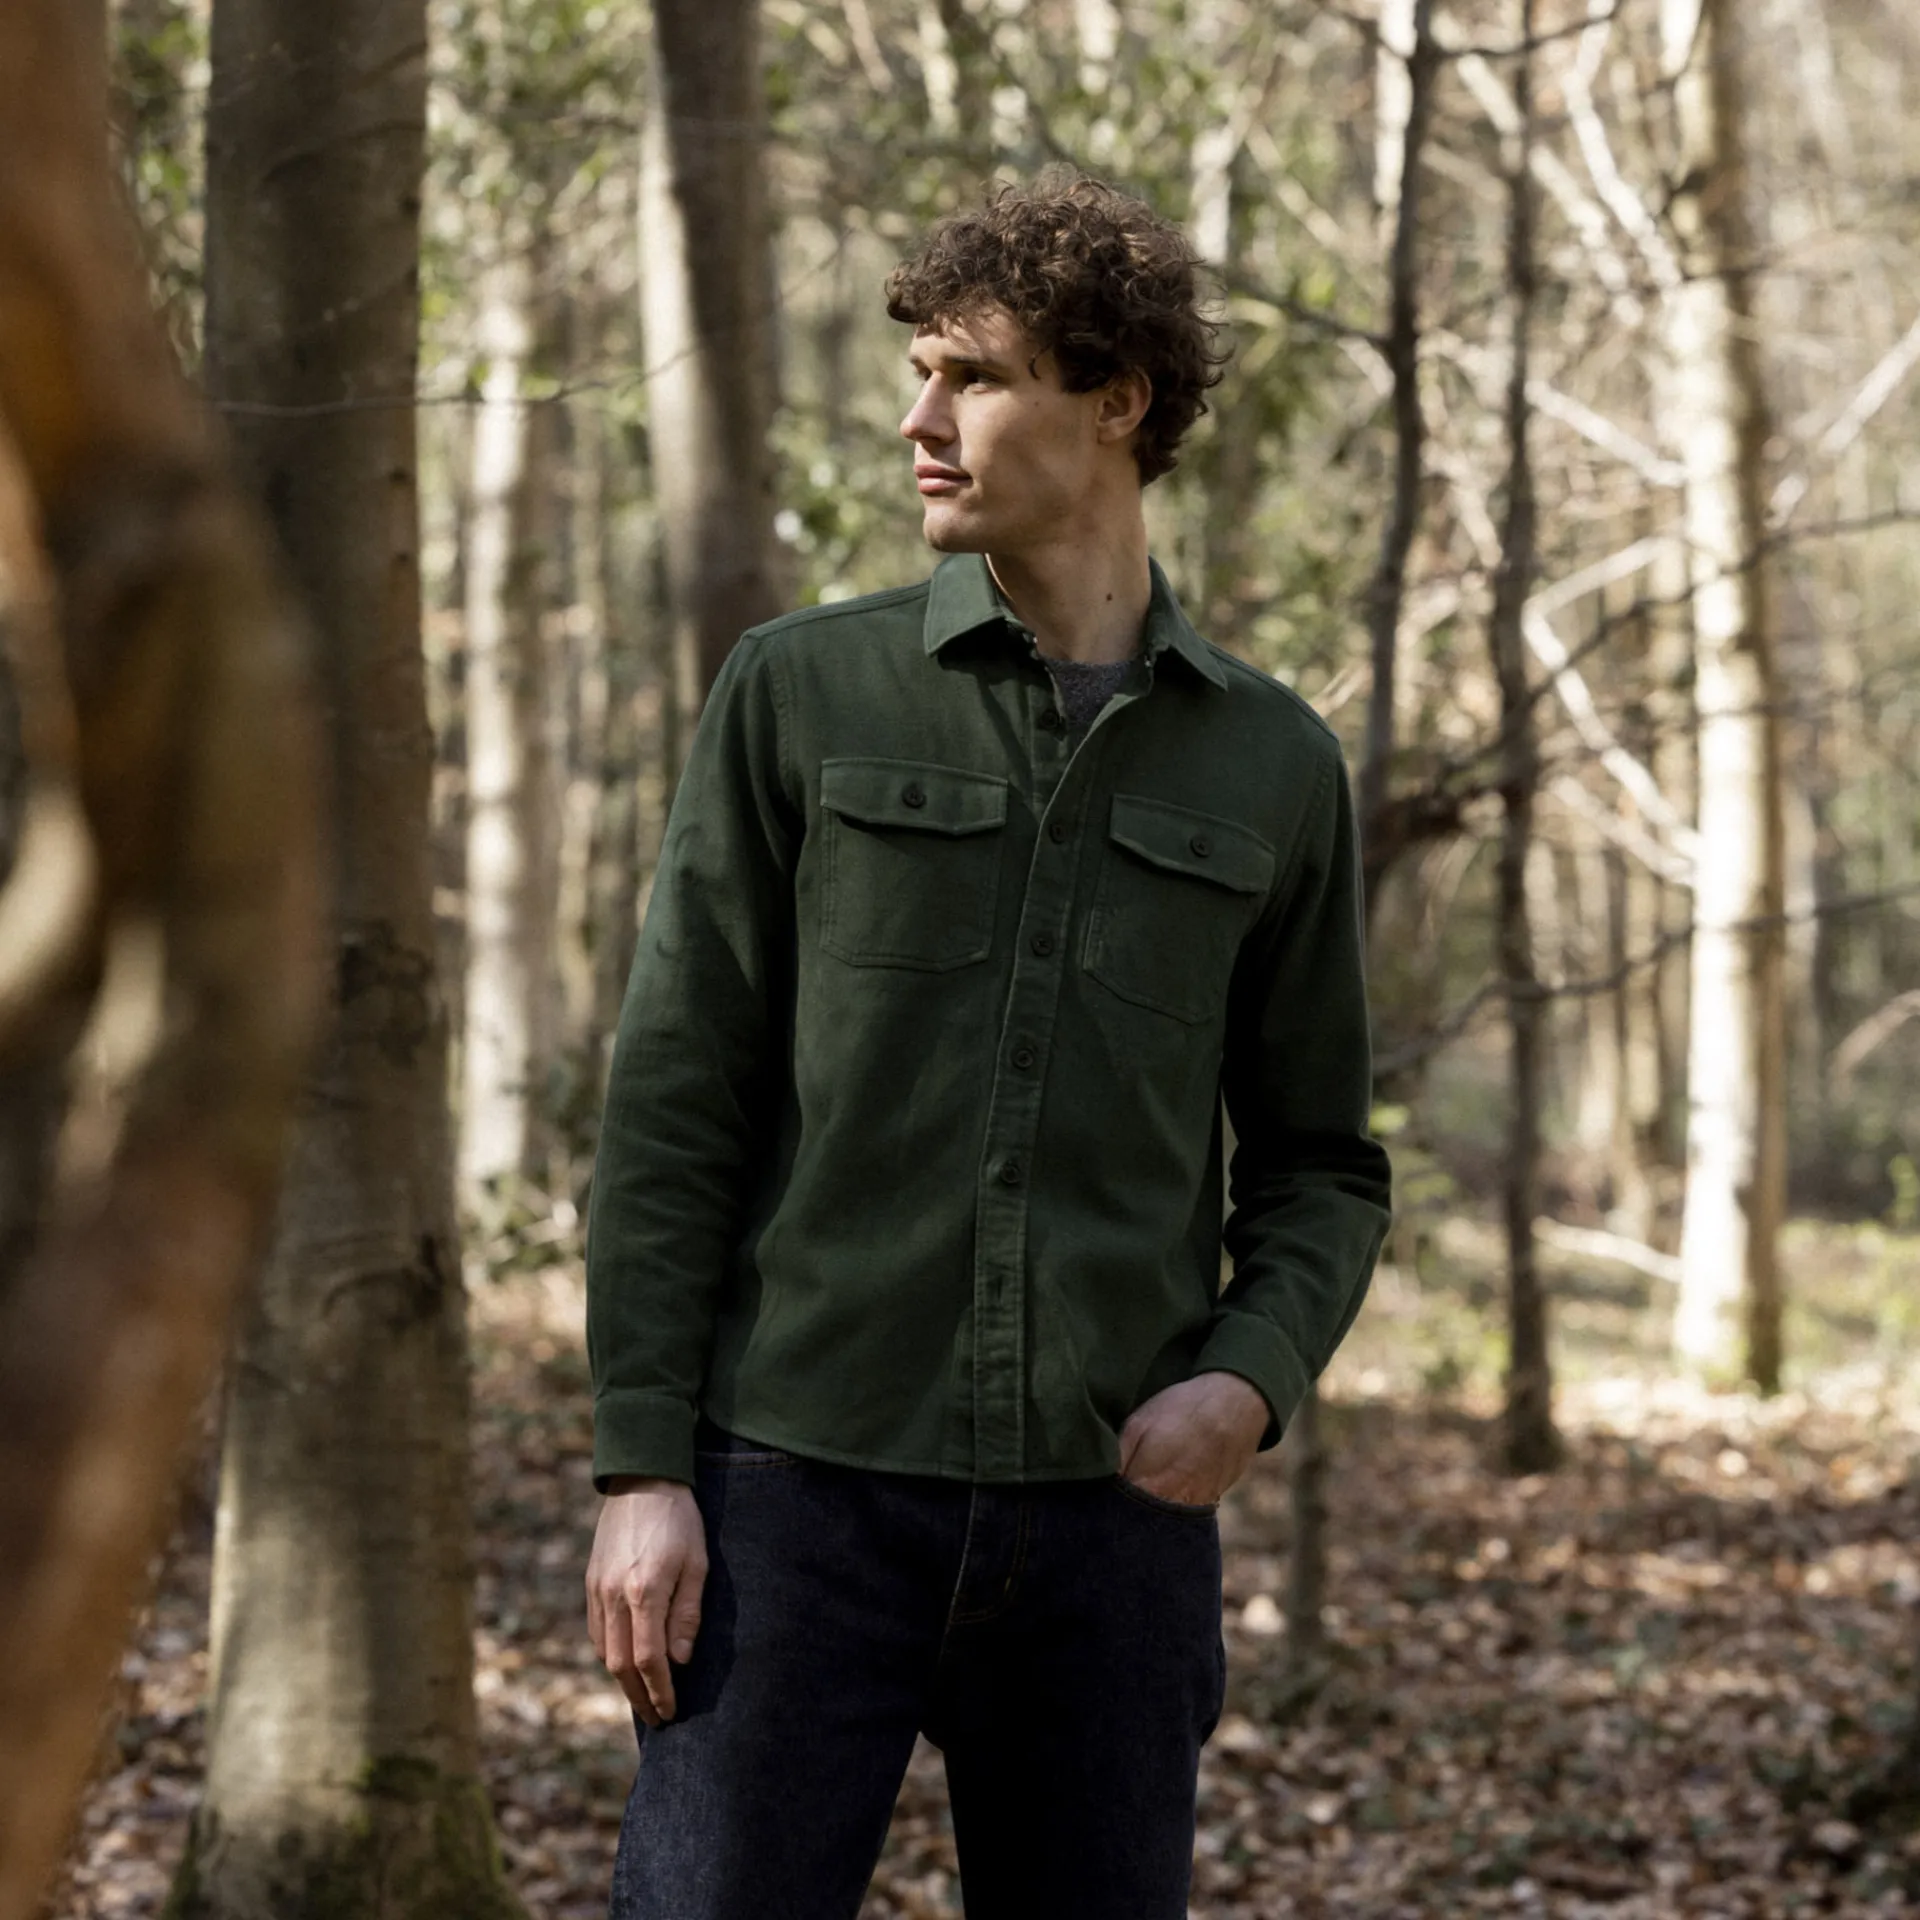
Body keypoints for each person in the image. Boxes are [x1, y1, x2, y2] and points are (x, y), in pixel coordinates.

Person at [584, 170, 1392, 1920]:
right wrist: (644, 1467)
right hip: (795, 1496)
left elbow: (1323, 1160)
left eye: (974, 377)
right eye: (920, 374)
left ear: (1117, 403)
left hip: (1110, 1529)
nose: (919, 421)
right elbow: (674, 1101)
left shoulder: (1271, 765)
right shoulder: (800, 693)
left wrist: (1250, 1379)